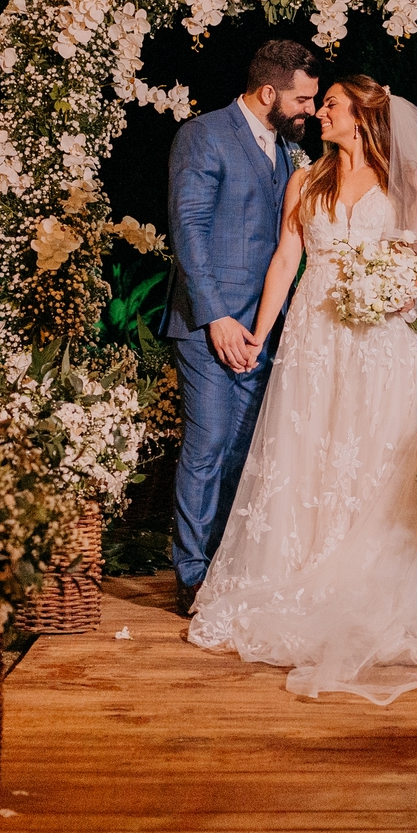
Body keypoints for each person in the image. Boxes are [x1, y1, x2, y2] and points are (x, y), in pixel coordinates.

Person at [187, 75, 417, 704]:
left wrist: (394, 291)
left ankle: (368, 582)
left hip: (380, 341)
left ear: (361, 117)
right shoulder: (305, 180)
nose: (321, 113)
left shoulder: (403, 183)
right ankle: (300, 569)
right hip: (314, 338)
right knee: (309, 452)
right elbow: (286, 258)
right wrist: (258, 333)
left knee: (372, 452)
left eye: (331, 104)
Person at [164, 38, 322, 618]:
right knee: (206, 446)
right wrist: (218, 317)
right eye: (302, 99)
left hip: (267, 327)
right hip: (212, 325)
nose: (310, 109)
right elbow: (189, 228)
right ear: (268, 91)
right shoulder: (204, 135)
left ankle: (230, 564)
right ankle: (191, 575)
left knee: (246, 452)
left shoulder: (287, 152)